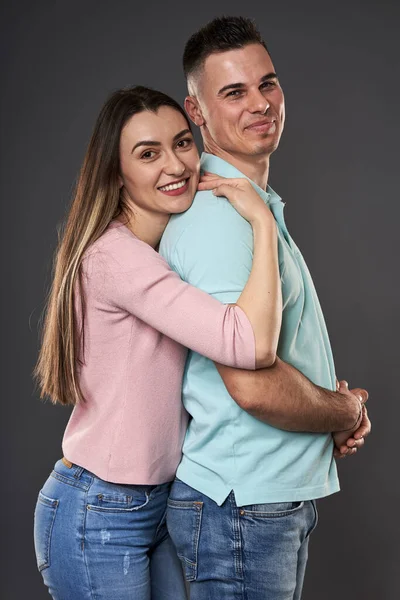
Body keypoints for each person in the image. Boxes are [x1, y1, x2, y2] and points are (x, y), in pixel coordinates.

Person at [33, 85, 284, 600]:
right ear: (116, 172)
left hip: (153, 504)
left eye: (182, 144)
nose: (175, 165)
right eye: (148, 154)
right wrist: (262, 222)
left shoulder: (167, 248)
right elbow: (250, 345)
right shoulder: (118, 258)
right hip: (99, 512)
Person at [160, 16, 372, 599]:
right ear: (196, 112)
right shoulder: (217, 219)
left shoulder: (251, 206)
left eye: (268, 83)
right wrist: (342, 411)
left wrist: (334, 409)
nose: (260, 104)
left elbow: (277, 353)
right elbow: (251, 385)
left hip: (261, 505)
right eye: (234, 92)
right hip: (242, 511)